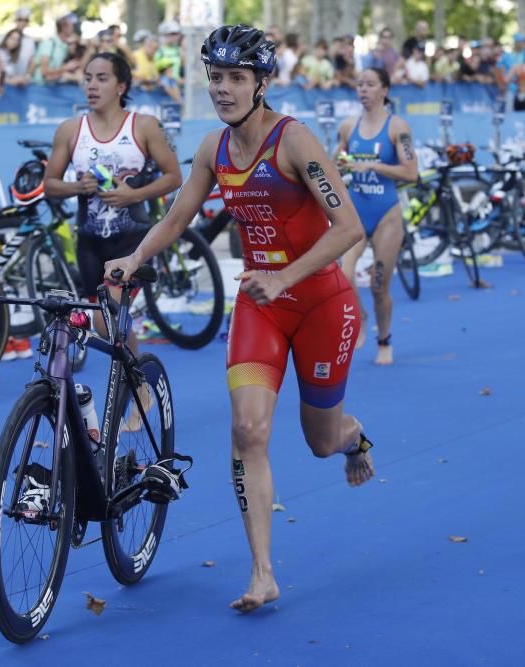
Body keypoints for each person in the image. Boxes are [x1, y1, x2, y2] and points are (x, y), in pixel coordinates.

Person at [105, 25, 374, 613]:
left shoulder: (295, 141)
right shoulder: (212, 148)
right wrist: (135, 256)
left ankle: (354, 437)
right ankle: (262, 573)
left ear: (261, 83)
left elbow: (350, 229)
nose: (223, 89)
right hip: (259, 306)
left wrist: (285, 276)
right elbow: (176, 219)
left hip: (322, 304)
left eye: (235, 79)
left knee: (321, 441)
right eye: (216, 78)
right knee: (247, 432)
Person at [43, 52, 181, 419]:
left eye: (101, 78)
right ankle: (137, 376)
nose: (91, 85)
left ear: (121, 86)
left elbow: (173, 176)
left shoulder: (144, 126)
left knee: (112, 317)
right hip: (90, 241)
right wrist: (76, 186)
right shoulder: (71, 130)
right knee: (109, 323)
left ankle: (137, 390)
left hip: (131, 237)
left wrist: (133, 195)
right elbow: (50, 186)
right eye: (87, 77)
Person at [335, 67, 418, 365]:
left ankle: (384, 340)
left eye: (370, 85)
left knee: (378, 286)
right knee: (342, 275)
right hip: (356, 212)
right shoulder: (348, 126)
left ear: (385, 90)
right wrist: (341, 166)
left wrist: (374, 167)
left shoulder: (398, 127)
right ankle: (360, 314)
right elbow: (336, 163)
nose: (363, 90)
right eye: (359, 85)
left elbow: (411, 172)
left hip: (386, 214)